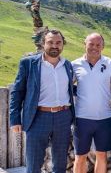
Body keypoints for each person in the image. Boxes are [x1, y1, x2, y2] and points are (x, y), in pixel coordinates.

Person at [9, 29, 75, 173]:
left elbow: (70, 89)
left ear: (63, 44)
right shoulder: (29, 63)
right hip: (38, 117)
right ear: (43, 43)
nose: (54, 46)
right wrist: (15, 119)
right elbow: (17, 91)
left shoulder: (67, 65)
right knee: (34, 162)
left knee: (60, 162)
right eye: (50, 42)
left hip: (63, 117)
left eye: (58, 42)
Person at [72, 33, 111, 173]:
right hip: (81, 118)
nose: (94, 47)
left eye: (98, 45)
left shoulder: (110, 63)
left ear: (103, 46)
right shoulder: (74, 64)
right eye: (91, 44)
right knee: (80, 157)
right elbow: (66, 87)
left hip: (105, 118)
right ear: (84, 44)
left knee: (102, 155)